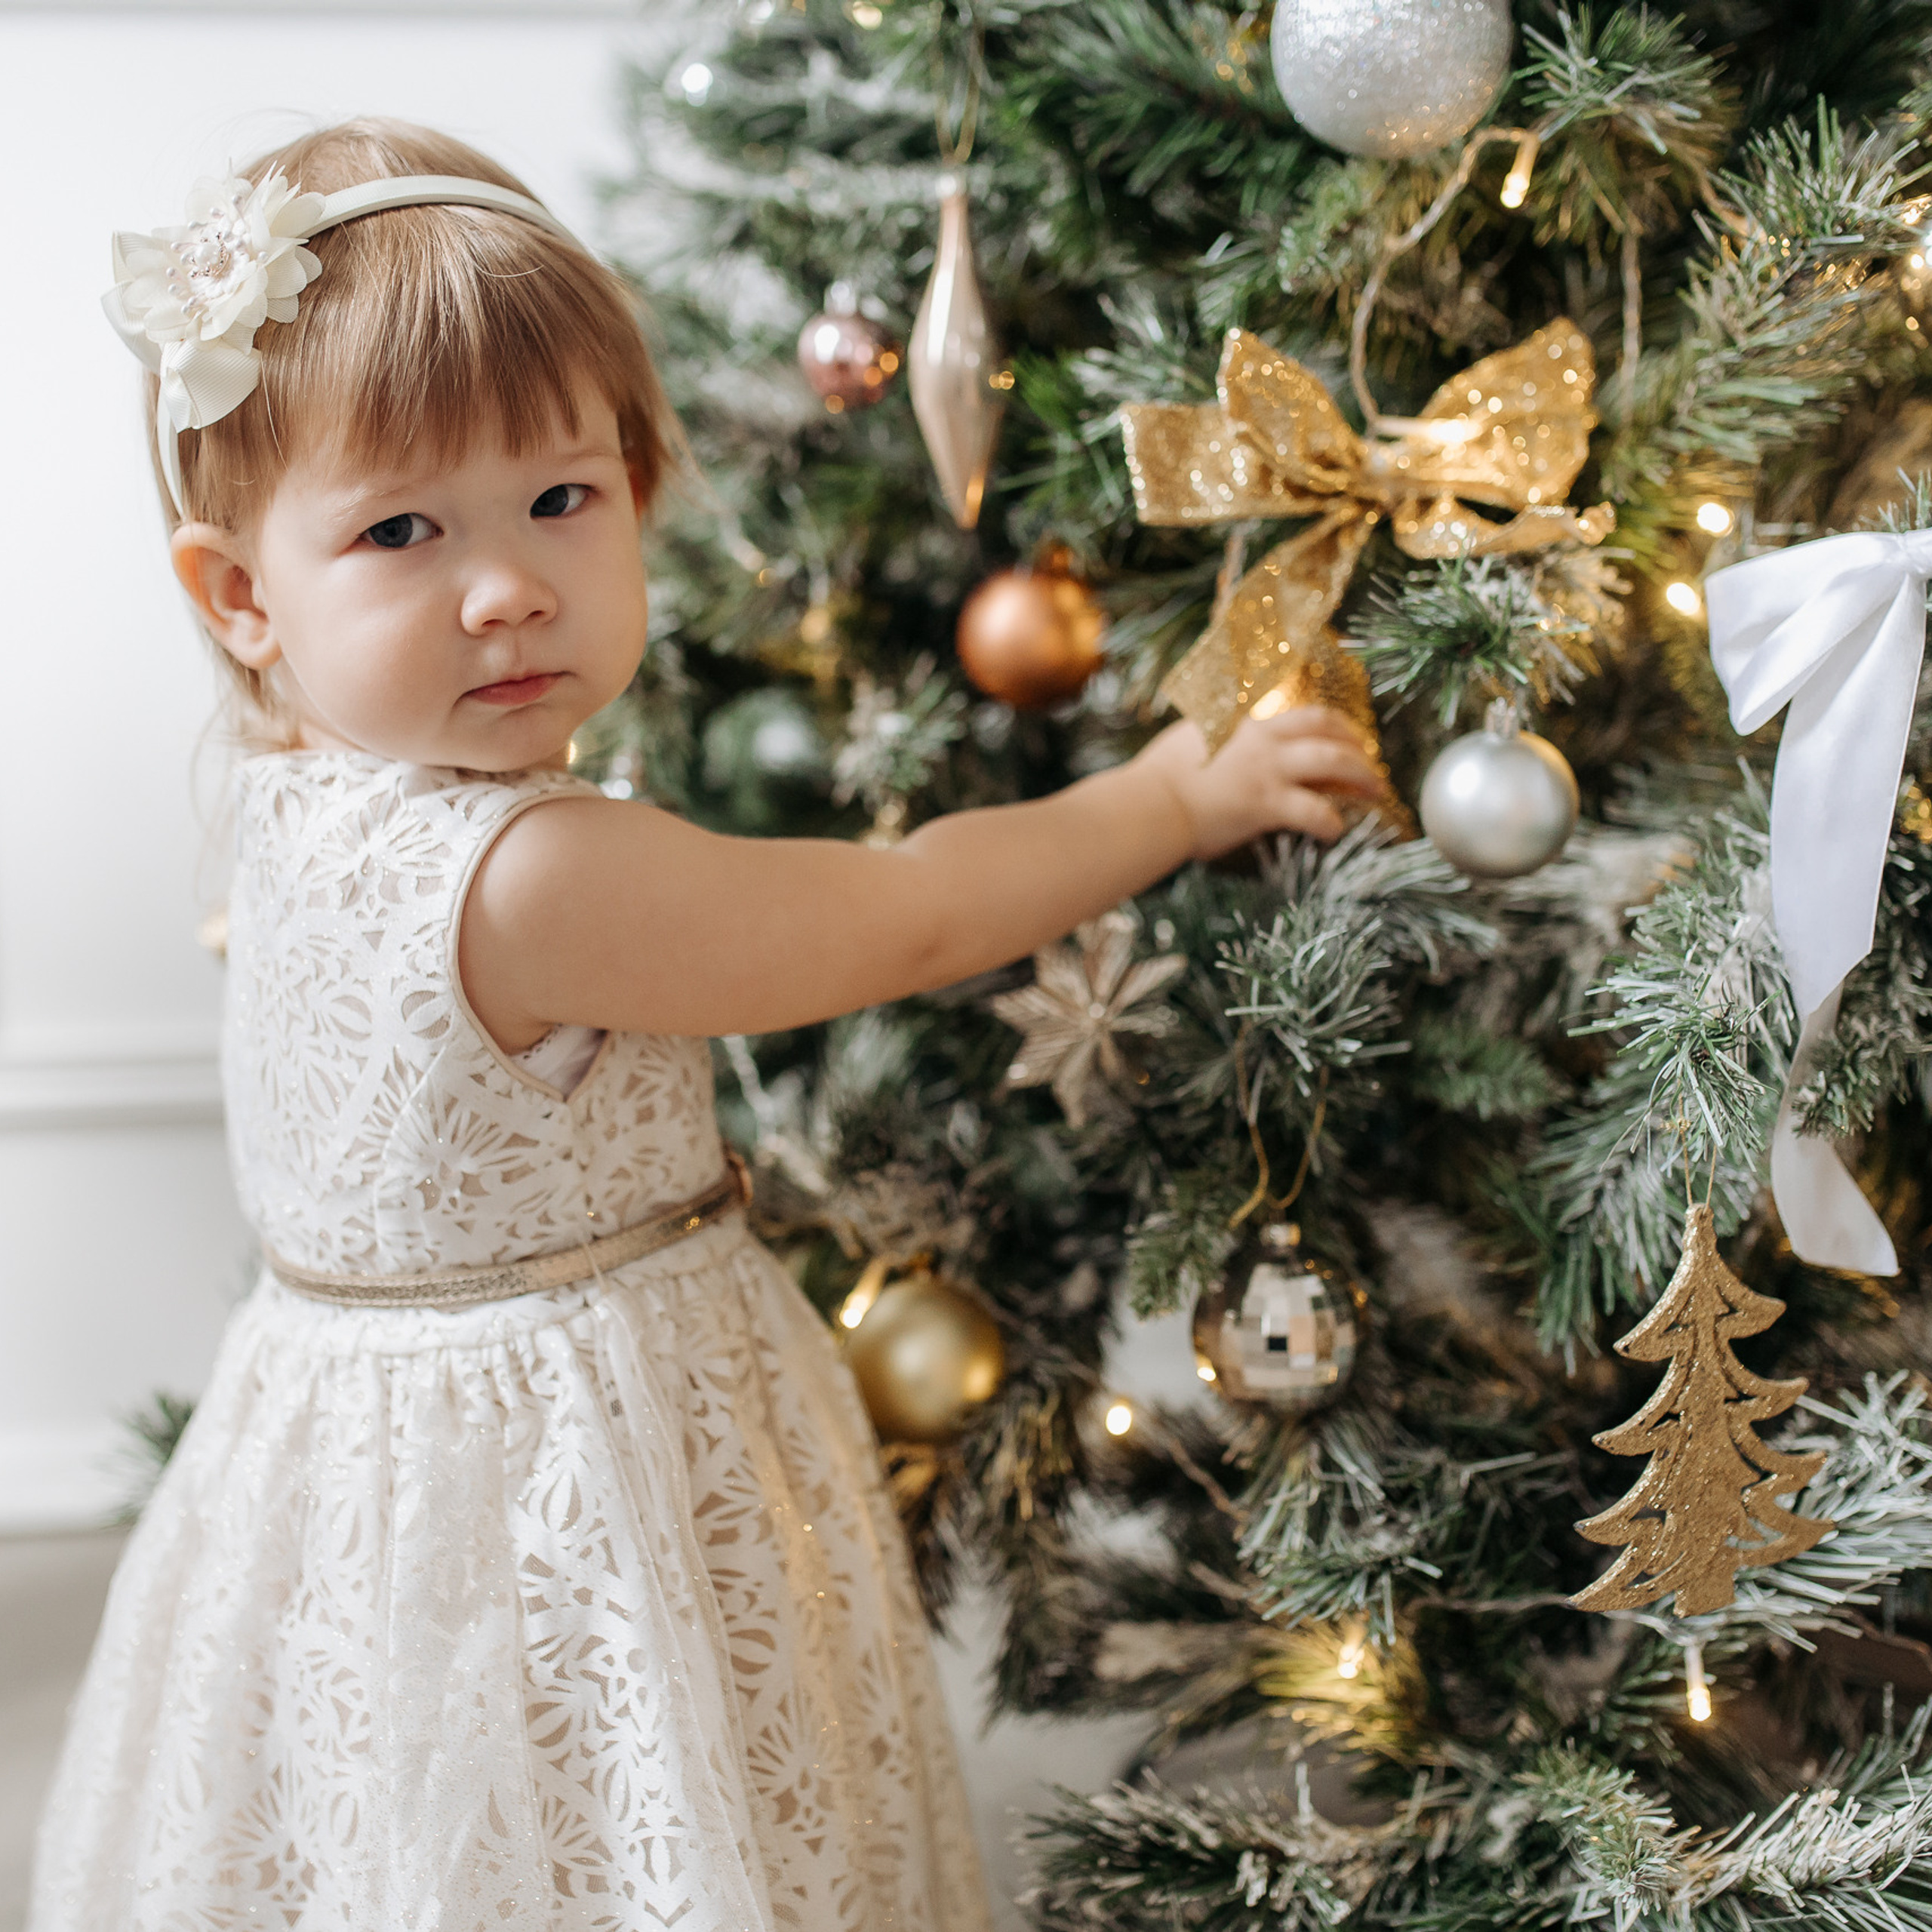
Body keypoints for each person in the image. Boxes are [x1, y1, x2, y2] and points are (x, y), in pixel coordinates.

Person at [32, 118, 1384, 1930]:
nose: (502, 583)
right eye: (402, 527)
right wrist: (1167, 799)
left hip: (338, 1461)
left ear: (638, 488)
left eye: (560, 501)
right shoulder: (533, 874)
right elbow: (904, 911)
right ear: (240, 595)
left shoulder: (295, 788)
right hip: (562, 1469)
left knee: (394, 1827)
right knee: (620, 1811)